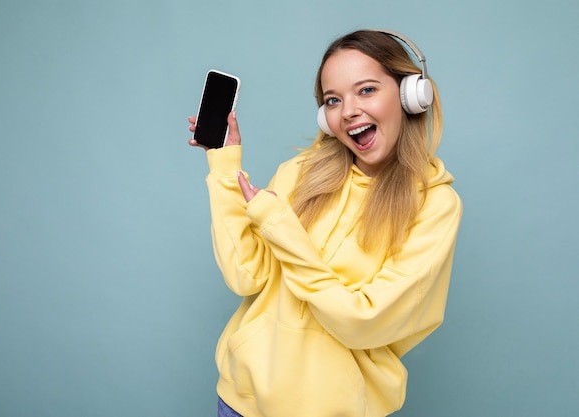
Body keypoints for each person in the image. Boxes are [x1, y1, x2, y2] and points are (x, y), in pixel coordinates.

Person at [187, 29, 462, 417]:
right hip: (240, 402)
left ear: (410, 95)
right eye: (334, 100)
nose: (348, 110)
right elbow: (245, 274)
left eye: (366, 90)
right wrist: (223, 166)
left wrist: (280, 227)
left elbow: (363, 321)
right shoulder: (300, 172)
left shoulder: (435, 204)